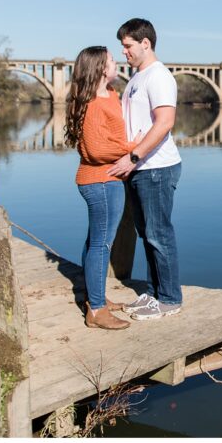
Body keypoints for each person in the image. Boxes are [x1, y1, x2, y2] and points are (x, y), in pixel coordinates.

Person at [106, 18, 183, 321]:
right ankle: (153, 294)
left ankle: (169, 299)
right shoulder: (138, 78)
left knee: (159, 234)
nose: (123, 51)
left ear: (145, 43)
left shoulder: (159, 77)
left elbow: (165, 122)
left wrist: (133, 158)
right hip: (142, 169)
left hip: (156, 168)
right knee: (147, 234)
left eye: (127, 45)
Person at [65, 45, 141, 330]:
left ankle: (95, 297)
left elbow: (111, 135)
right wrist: (136, 147)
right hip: (101, 181)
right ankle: (96, 310)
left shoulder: (109, 95)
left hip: (106, 180)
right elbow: (98, 149)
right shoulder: (94, 104)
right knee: (101, 244)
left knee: (94, 241)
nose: (116, 62)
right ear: (99, 68)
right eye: (110, 60)